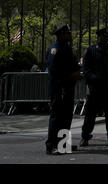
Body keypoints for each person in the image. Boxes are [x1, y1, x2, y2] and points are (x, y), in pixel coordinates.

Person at [80, 27, 108, 146]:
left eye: (106, 37)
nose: (105, 38)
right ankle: (85, 136)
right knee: (90, 114)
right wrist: (94, 79)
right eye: (103, 36)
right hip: (95, 88)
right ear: (98, 37)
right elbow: (86, 70)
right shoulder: (91, 50)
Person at [45, 25, 81, 155]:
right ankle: (51, 145)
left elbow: (72, 65)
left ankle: (63, 143)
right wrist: (70, 76)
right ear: (61, 35)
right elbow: (53, 70)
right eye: (67, 33)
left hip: (68, 86)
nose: (69, 35)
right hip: (58, 87)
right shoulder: (54, 49)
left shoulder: (67, 48)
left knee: (66, 116)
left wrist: (77, 73)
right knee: (57, 116)